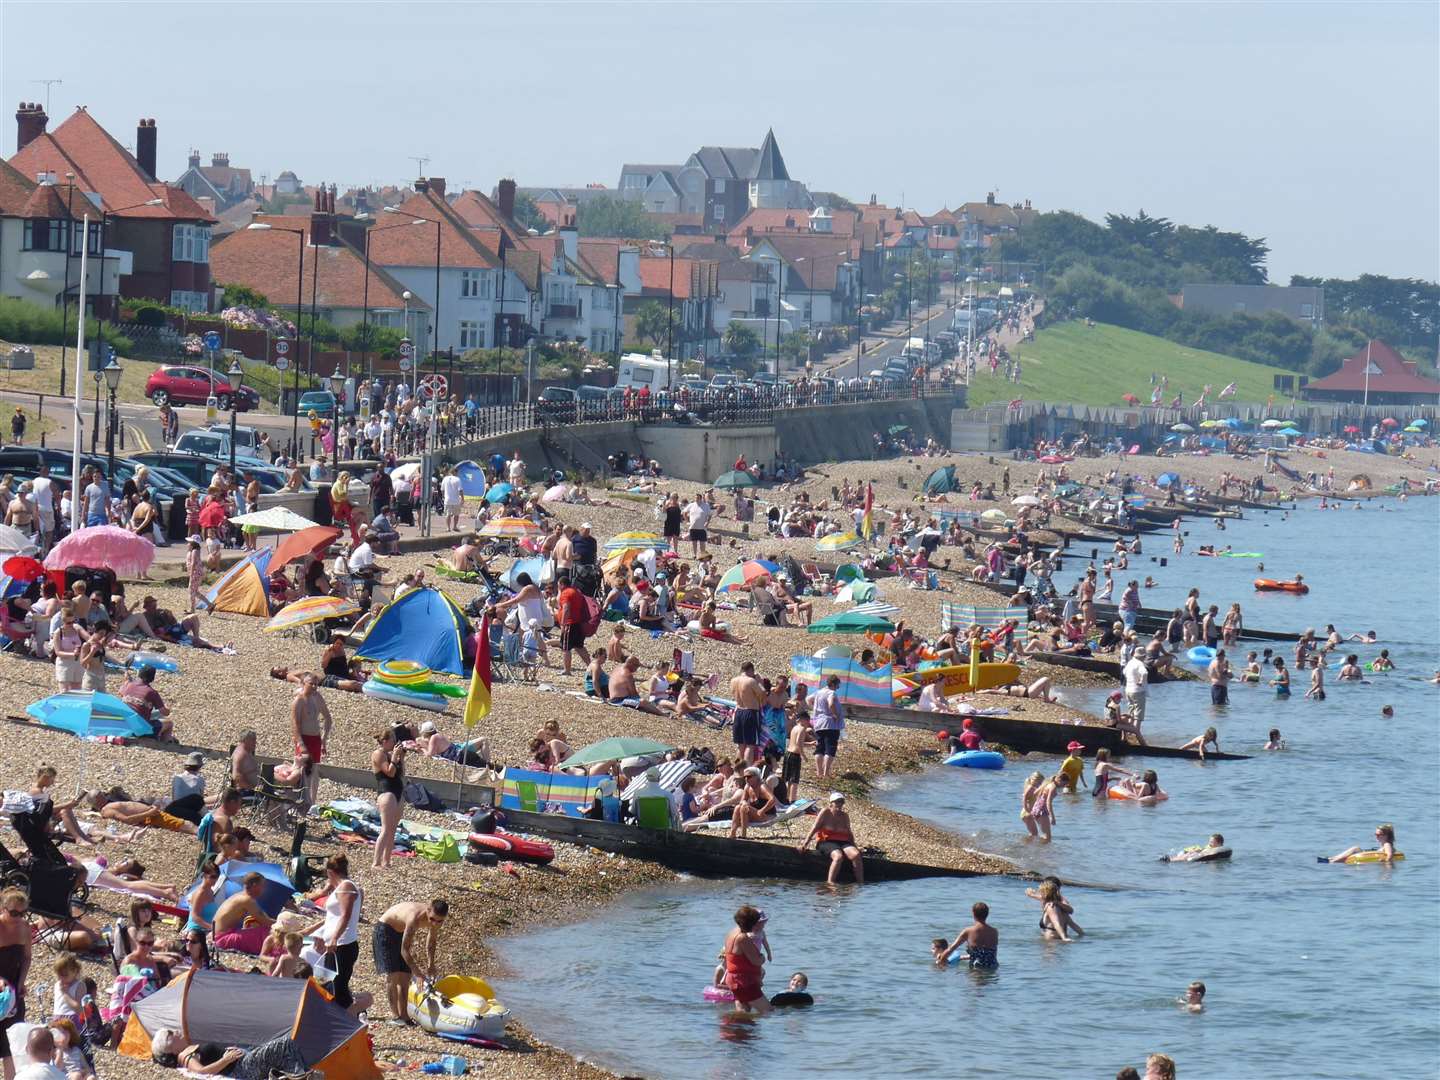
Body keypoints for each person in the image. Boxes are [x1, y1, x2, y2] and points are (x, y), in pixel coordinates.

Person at [372, 899, 448, 1025]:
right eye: (432, 919)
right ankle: (396, 1016)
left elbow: (431, 941)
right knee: (394, 975)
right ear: (428, 910)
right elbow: (404, 950)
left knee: (405, 977)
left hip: (401, 932)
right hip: (385, 929)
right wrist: (418, 973)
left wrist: (431, 964)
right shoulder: (414, 917)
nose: (434, 923)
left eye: (439, 921)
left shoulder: (438, 920)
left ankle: (405, 1016)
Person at [305, 854, 362, 1011]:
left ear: (330, 872)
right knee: (330, 986)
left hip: (343, 944)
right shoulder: (340, 887)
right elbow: (333, 917)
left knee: (339, 988)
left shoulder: (346, 887)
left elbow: (346, 915)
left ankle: (352, 1020)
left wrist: (334, 938)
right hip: (335, 945)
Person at [798, 792, 864, 885]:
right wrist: (804, 844)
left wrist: (855, 846)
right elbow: (814, 828)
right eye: (837, 802)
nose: (839, 804)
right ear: (831, 803)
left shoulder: (845, 816)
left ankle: (860, 883)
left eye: (841, 802)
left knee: (856, 855)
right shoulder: (825, 812)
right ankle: (830, 883)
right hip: (826, 841)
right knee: (838, 856)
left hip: (843, 841)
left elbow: (849, 833)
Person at [720, 905, 769, 1015]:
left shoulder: (732, 932)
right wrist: (763, 958)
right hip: (743, 981)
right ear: (750, 923)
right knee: (768, 1011)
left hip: (735, 980)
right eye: (755, 922)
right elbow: (756, 960)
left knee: (744, 1011)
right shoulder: (742, 938)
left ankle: (736, 1030)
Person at [290, 674, 331, 805]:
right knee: (301, 770)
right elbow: (295, 726)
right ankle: (298, 800)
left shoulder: (317, 697)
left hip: (315, 738)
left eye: (316, 684)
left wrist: (324, 740)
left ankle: (312, 802)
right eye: (311, 684)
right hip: (304, 738)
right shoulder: (299, 701)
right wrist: (301, 745)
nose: (314, 686)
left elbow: (328, 718)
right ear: (303, 683)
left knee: (314, 771)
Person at [211, 873, 274, 954]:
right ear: (255, 885)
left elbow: (262, 916)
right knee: (266, 931)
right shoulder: (247, 900)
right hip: (222, 939)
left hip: (215, 936)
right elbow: (265, 921)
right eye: (262, 885)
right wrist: (286, 926)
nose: (264, 889)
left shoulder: (240, 895)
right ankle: (267, 953)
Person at [371, 728, 406, 870]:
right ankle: (376, 862)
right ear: (385, 741)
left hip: (397, 793)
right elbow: (390, 773)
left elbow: (400, 773)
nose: (394, 743)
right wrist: (394, 757)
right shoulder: (378, 754)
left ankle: (386, 861)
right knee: (385, 829)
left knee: (393, 829)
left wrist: (401, 758)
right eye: (392, 740)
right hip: (387, 793)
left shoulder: (391, 754)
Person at [935, 901, 999, 969]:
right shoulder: (994, 932)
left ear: (973, 913)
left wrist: (941, 961)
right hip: (993, 968)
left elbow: (951, 949)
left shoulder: (968, 931)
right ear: (987, 914)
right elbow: (986, 953)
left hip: (976, 970)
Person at [119, 665, 174, 741]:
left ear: (139, 674)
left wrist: (127, 681)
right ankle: (166, 745)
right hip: (141, 729)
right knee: (169, 723)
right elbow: (164, 712)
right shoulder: (152, 692)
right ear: (152, 678)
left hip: (124, 724)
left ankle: (160, 738)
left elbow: (121, 692)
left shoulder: (129, 685)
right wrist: (168, 708)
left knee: (148, 713)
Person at [554, 574, 591, 676]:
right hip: (577, 622)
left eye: (558, 585)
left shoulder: (566, 593)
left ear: (561, 584)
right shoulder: (576, 591)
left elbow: (566, 608)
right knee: (579, 646)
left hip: (569, 623)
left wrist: (562, 623)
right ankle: (591, 665)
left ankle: (567, 670)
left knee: (566, 648)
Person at [729, 661, 765, 766]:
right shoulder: (751, 681)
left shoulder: (733, 680)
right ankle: (746, 769)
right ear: (751, 670)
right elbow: (762, 694)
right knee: (750, 745)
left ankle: (738, 768)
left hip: (738, 711)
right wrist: (760, 682)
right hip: (751, 712)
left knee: (741, 745)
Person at [810, 674, 844, 782]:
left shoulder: (819, 692)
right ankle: (826, 773)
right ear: (833, 684)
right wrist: (834, 714)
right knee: (830, 748)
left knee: (820, 748)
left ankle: (819, 772)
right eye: (837, 685)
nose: (838, 687)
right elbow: (830, 703)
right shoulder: (831, 693)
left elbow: (808, 699)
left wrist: (818, 711)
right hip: (830, 724)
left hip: (819, 723)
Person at [1324, 824, 1397, 864]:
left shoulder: (1387, 844)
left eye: (1379, 834)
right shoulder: (1384, 844)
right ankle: (1333, 859)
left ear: (1386, 835)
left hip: (1368, 858)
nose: (1376, 836)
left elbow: (1389, 855)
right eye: (1375, 834)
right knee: (1355, 850)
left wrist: (1386, 861)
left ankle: (1332, 860)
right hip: (1367, 856)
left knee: (1356, 848)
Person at [1122, 649, 1150, 742]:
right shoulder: (1140, 664)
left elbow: (1124, 672)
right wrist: (1141, 681)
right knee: (1138, 713)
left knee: (1131, 710)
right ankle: (1136, 731)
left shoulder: (1130, 662)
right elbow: (1145, 673)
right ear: (1142, 656)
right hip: (1138, 691)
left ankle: (1130, 730)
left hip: (1128, 689)